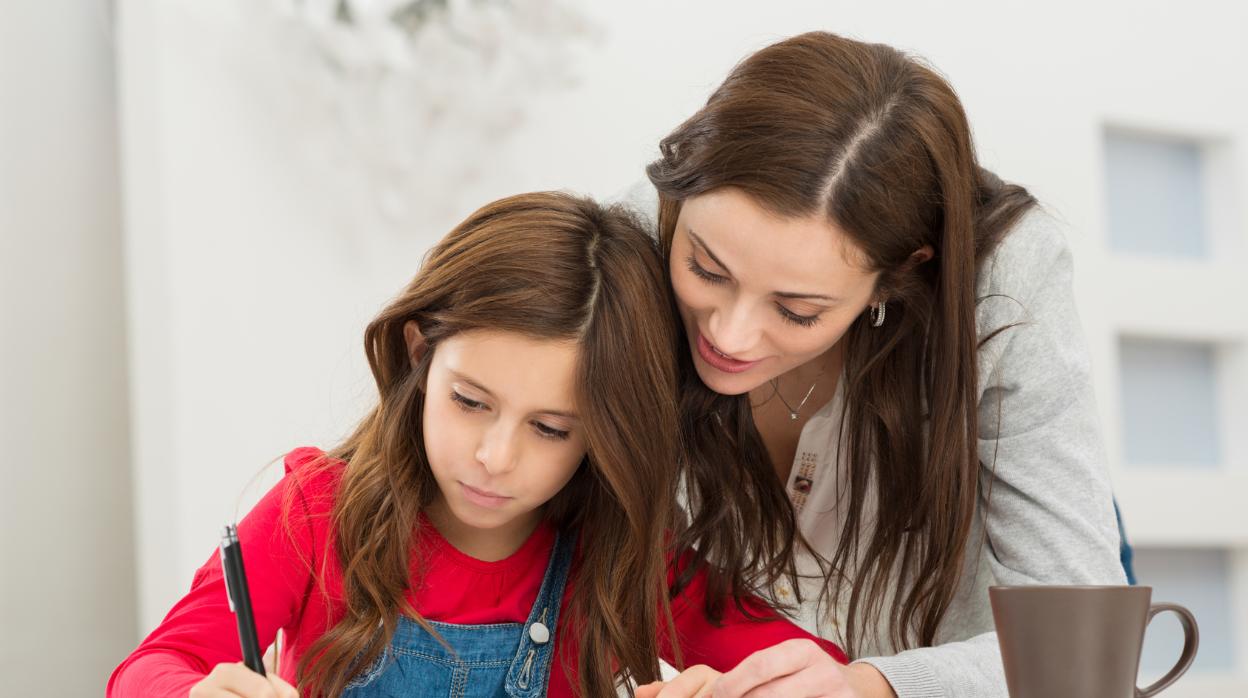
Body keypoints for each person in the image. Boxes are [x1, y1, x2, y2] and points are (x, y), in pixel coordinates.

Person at [107, 192, 847, 698]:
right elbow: (149, 669)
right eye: (470, 402)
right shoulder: (315, 513)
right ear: (420, 354)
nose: (496, 456)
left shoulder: (625, 558)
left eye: (551, 429)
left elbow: (826, 678)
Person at [631, 32, 1127, 697]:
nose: (730, 334)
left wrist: (868, 688)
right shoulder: (633, 239)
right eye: (706, 269)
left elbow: (1083, 649)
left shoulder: (1001, 279)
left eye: (798, 309)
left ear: (898, 276)